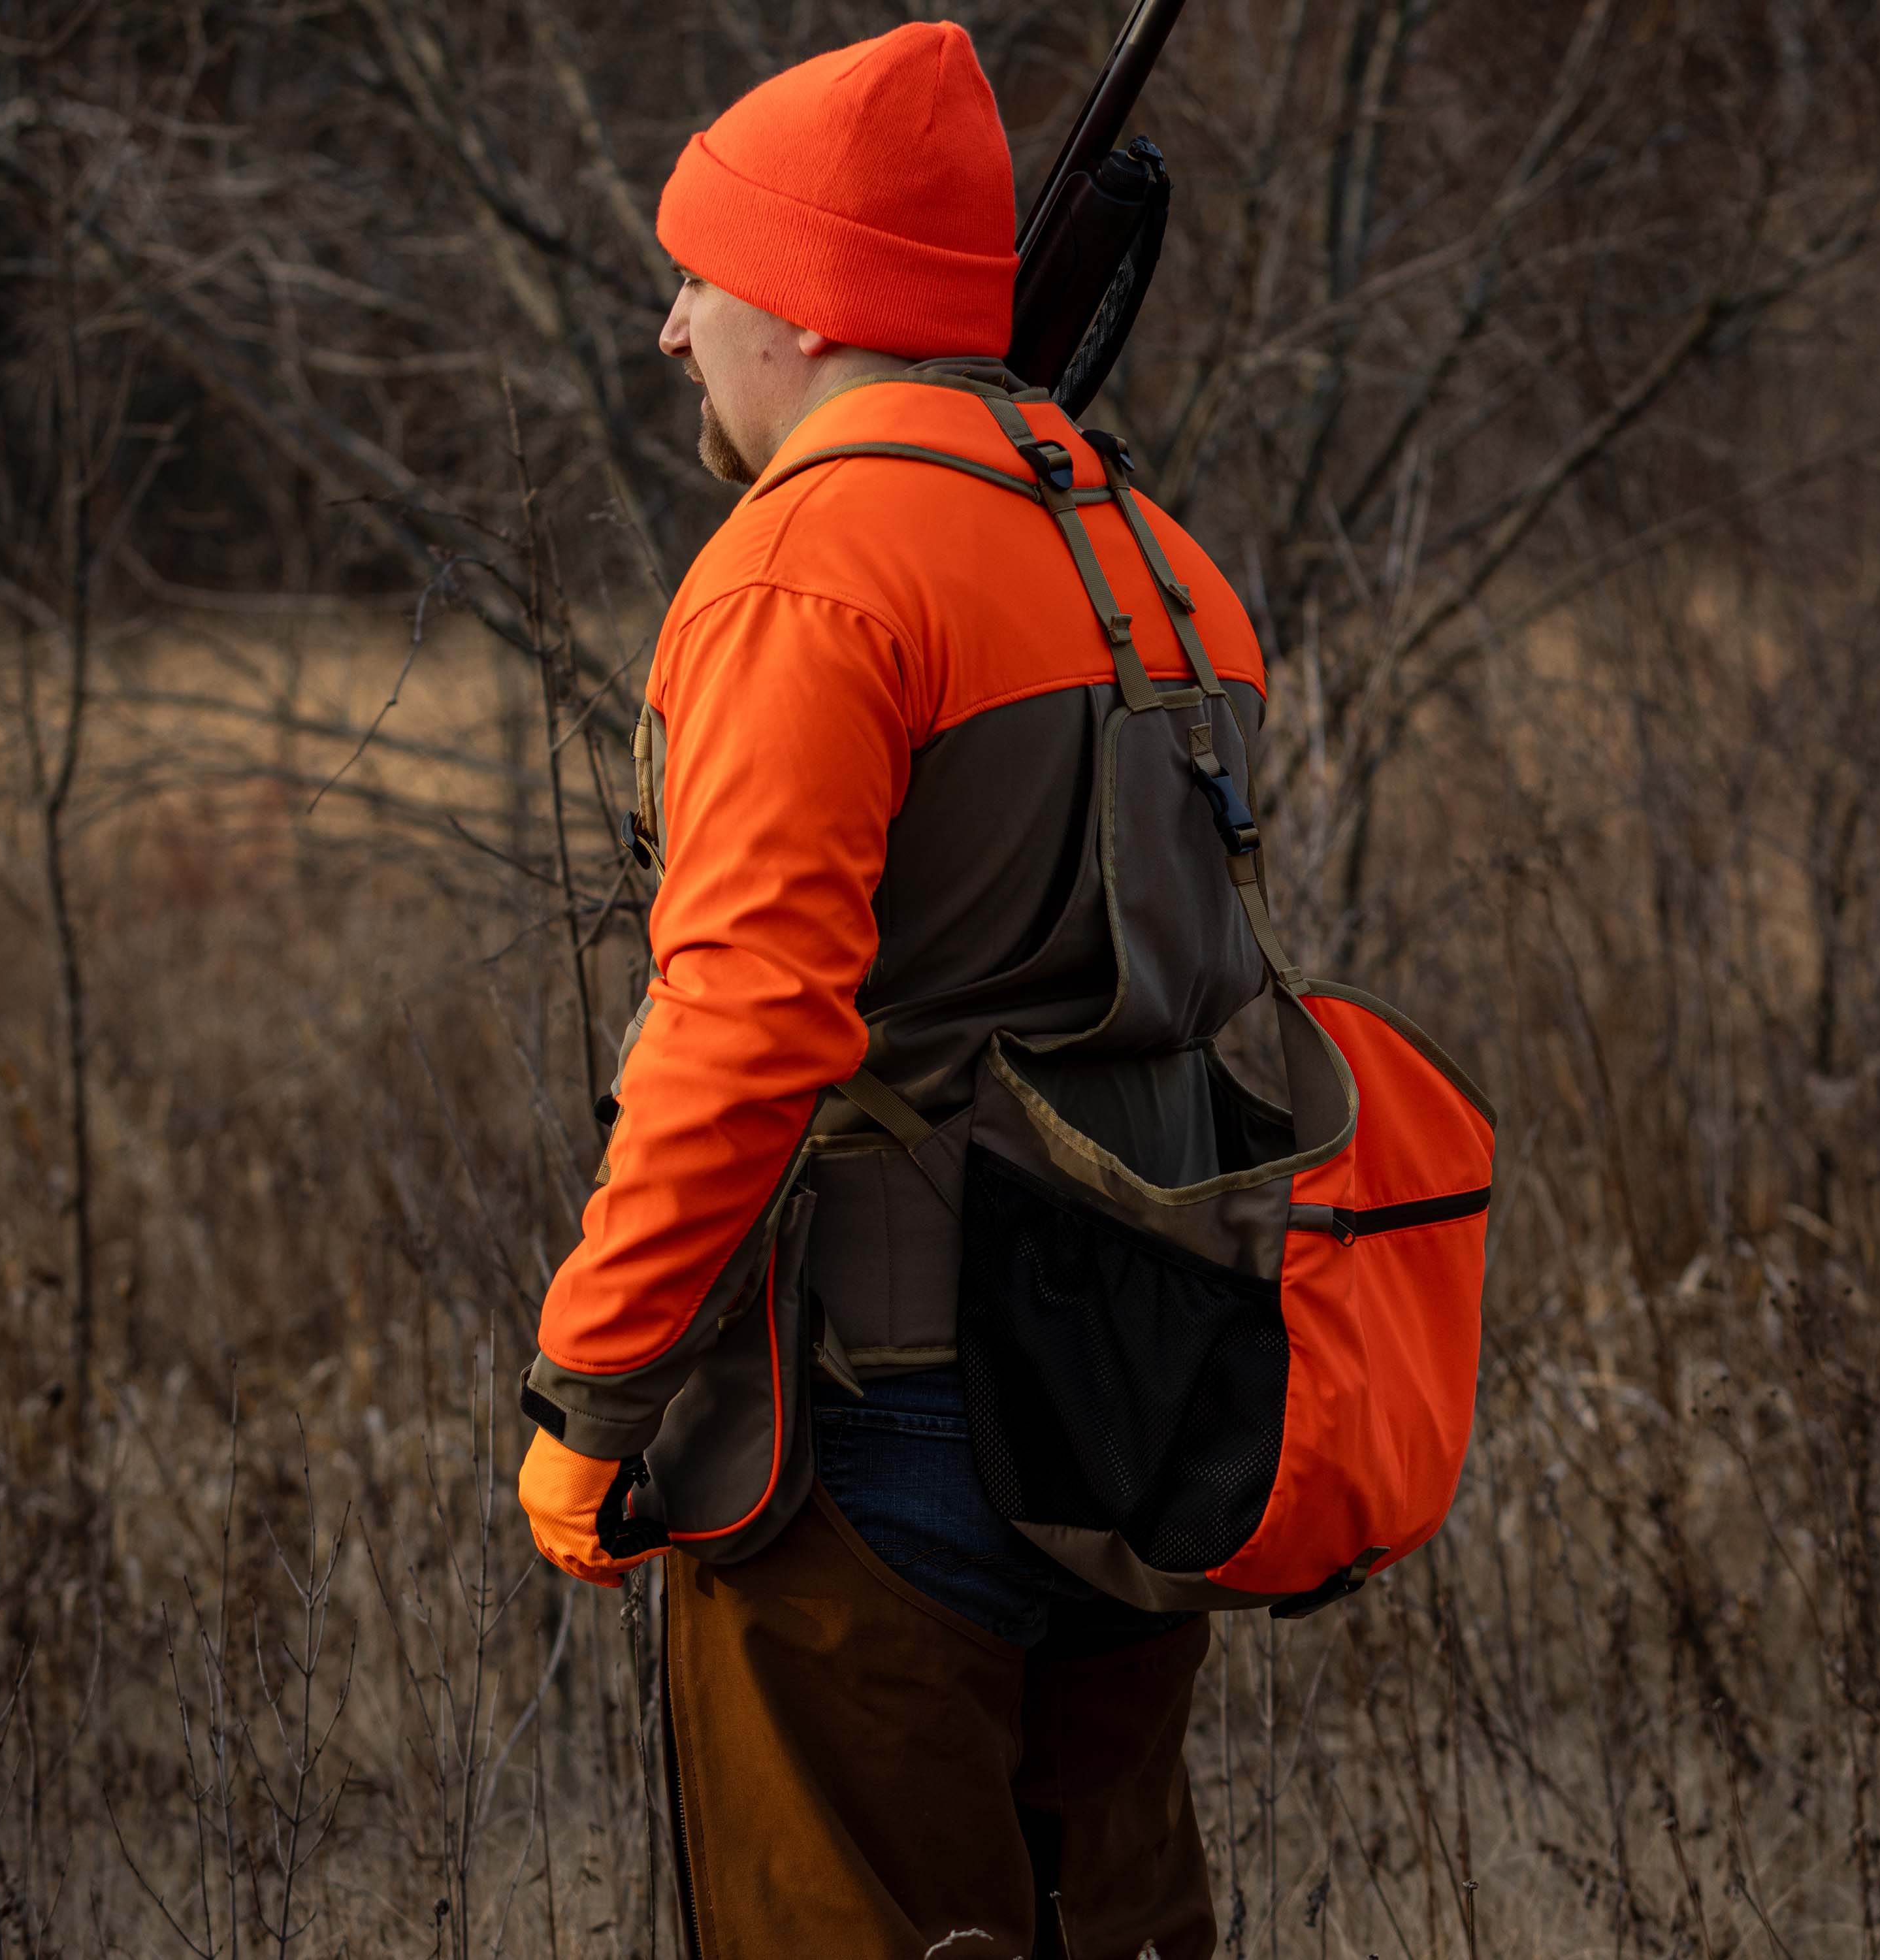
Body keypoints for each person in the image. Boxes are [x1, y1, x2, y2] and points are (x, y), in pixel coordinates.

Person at [515, 21, 1274, 1957]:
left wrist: (594, 1393)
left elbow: (749, 1017)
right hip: (1145, 1389)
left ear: (809, 304)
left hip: (885, 1428)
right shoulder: (1149, 551)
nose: (675, 332)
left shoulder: (811, 568)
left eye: (701, 280)